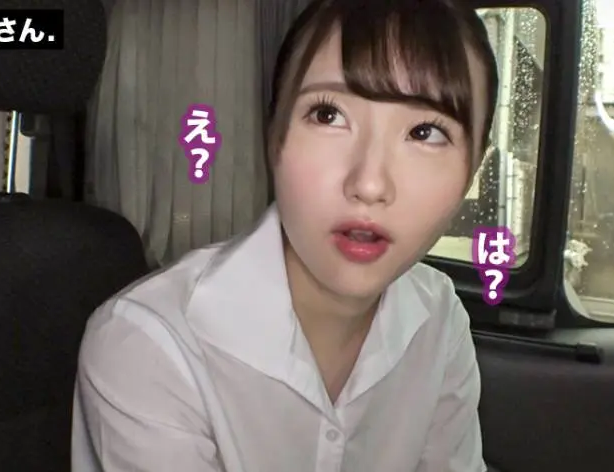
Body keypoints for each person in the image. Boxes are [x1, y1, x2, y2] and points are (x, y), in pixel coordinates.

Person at [71, 0, 499, 470]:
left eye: (425, 132)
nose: (369, 183)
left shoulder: (438, 320)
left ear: (473, 168)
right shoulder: (148, 345)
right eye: (328, 115)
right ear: (274, 136)